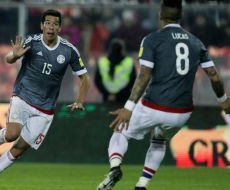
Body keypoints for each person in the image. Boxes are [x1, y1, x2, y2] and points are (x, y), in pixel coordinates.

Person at [96, 0, 230, 190]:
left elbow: (144, 75)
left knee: (120, 131)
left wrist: (128, 108)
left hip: (153, 106)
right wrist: (224, 101)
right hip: (181, 112)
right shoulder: (196, 42)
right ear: (180, 16)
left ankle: (115, 168)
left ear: (160, 16)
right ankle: (142, 185)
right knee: (159, 140)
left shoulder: (152, 39)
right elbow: (214, 76)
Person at [0, 9, 90, 190]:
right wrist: (14, 55)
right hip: (23, 96)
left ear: (59, 27)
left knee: (19, 149)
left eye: (55, 23)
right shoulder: (32, 42)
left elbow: (84, 78)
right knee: (12, 134)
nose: (51, 27)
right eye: (48, 23)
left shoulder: (69, 51)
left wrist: (80, 100)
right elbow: (9, 59)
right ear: (42, 25)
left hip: (46, 108)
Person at [94, 38, 136, 104]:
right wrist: (118, 95)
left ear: (110, 49)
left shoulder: (102, 62)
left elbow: (97, 81)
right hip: (124, 97)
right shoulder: (129, 62)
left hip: (107, 97)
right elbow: (133, 81)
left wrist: (108, 94)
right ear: (122, 49)